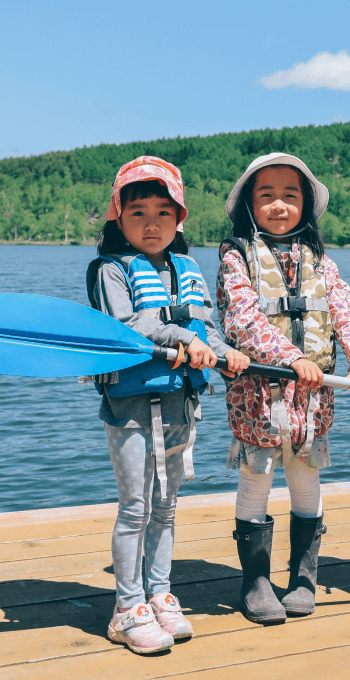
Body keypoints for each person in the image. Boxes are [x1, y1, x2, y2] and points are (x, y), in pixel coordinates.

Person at [86, 156, 250, 653]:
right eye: (138, 213)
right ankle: (126, 607)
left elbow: (206, 328)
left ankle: (159, 594)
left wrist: (223, 353)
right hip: (133, 406)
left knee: (167, 506)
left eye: (163, 212)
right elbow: (128, 325)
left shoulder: (188, 269)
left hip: (181, 403)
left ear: (179, 218)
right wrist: (182, 336)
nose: (151, 223)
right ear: (118, 217)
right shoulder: (110, 270)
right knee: (136, 507)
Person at [216, 152, 350, 624]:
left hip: (313, 398)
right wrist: (293, 358)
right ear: (249, 203)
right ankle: (256, 581)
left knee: (306, 478)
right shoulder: (236, 256)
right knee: (258, 478)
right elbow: (242, 321)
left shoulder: (322, 261)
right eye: (266, 195)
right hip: (258, 397)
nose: (279, 204)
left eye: (291, 195)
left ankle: (304, 578)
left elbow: (347, 313)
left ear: (306, 204)